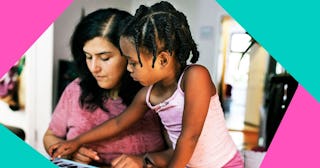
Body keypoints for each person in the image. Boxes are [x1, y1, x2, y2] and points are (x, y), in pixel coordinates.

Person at [48, 2, 244, 168]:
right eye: (88, 57)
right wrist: (76, 142)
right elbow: (118, 123)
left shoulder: (195, 76)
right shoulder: (148, 94)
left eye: (133, 62)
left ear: (163, 60)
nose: (129, 68)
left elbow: (189, 136)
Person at [43, 8, 167, 167]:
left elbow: (179, 152)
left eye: (104, 58)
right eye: (88, 57)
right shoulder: (75, 90)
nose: (94, 67)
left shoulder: (156, 95)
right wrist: (70, 153)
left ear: (131, 56)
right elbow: (50, 136)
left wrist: (144, 161)